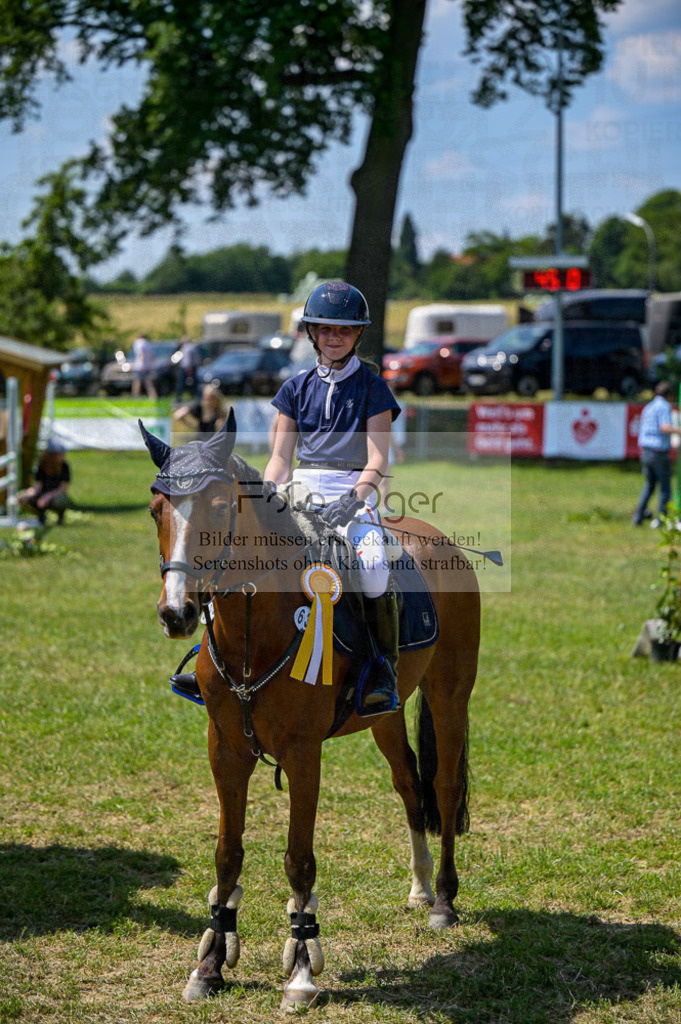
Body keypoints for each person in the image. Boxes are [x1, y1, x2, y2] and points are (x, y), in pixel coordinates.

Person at [263, 281, 401, 715]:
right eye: (325, 329)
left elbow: (379, 460)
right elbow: (280, 459)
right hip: (299, 489)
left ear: (358, 333)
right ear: (311, 333)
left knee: (375, 571)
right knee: (244, 551)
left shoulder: (374, 389)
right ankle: (213, 657)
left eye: (344, 330)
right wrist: (267, 495)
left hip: (353, 492)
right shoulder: (295, 388)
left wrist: (356, 499)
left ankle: (381, 668)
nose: (334, 337)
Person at [632, 380, 681, 528]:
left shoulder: (648, 407)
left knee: (649, 485)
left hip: (645, 451)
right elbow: (664, 427)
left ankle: (638, 516)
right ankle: (661, 520)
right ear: (669, 394)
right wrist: (679, 430)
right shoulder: (664, 406)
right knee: (665, 488)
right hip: (658, 452)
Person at [17, 439, 71, 524]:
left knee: (60, 501)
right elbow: (37, 486)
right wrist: (27, 495)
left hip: (55, 496)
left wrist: (48, 496)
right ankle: (41, 515)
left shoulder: (64, 467)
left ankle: (60, 516)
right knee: (24, 497)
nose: (63, 456)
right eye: (60, 454)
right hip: (41, 495)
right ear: (51, 455)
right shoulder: (42, 466)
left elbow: (63, 488)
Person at [131, 333, 158, 399]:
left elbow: (141, 353)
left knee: (137, 381)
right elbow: (152, 356)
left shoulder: (139, 343)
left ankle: (135, 396)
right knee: (148, 382)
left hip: (141, 366)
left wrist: (142, 364)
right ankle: (153, 396)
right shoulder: (148, 344)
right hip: (148, 365)